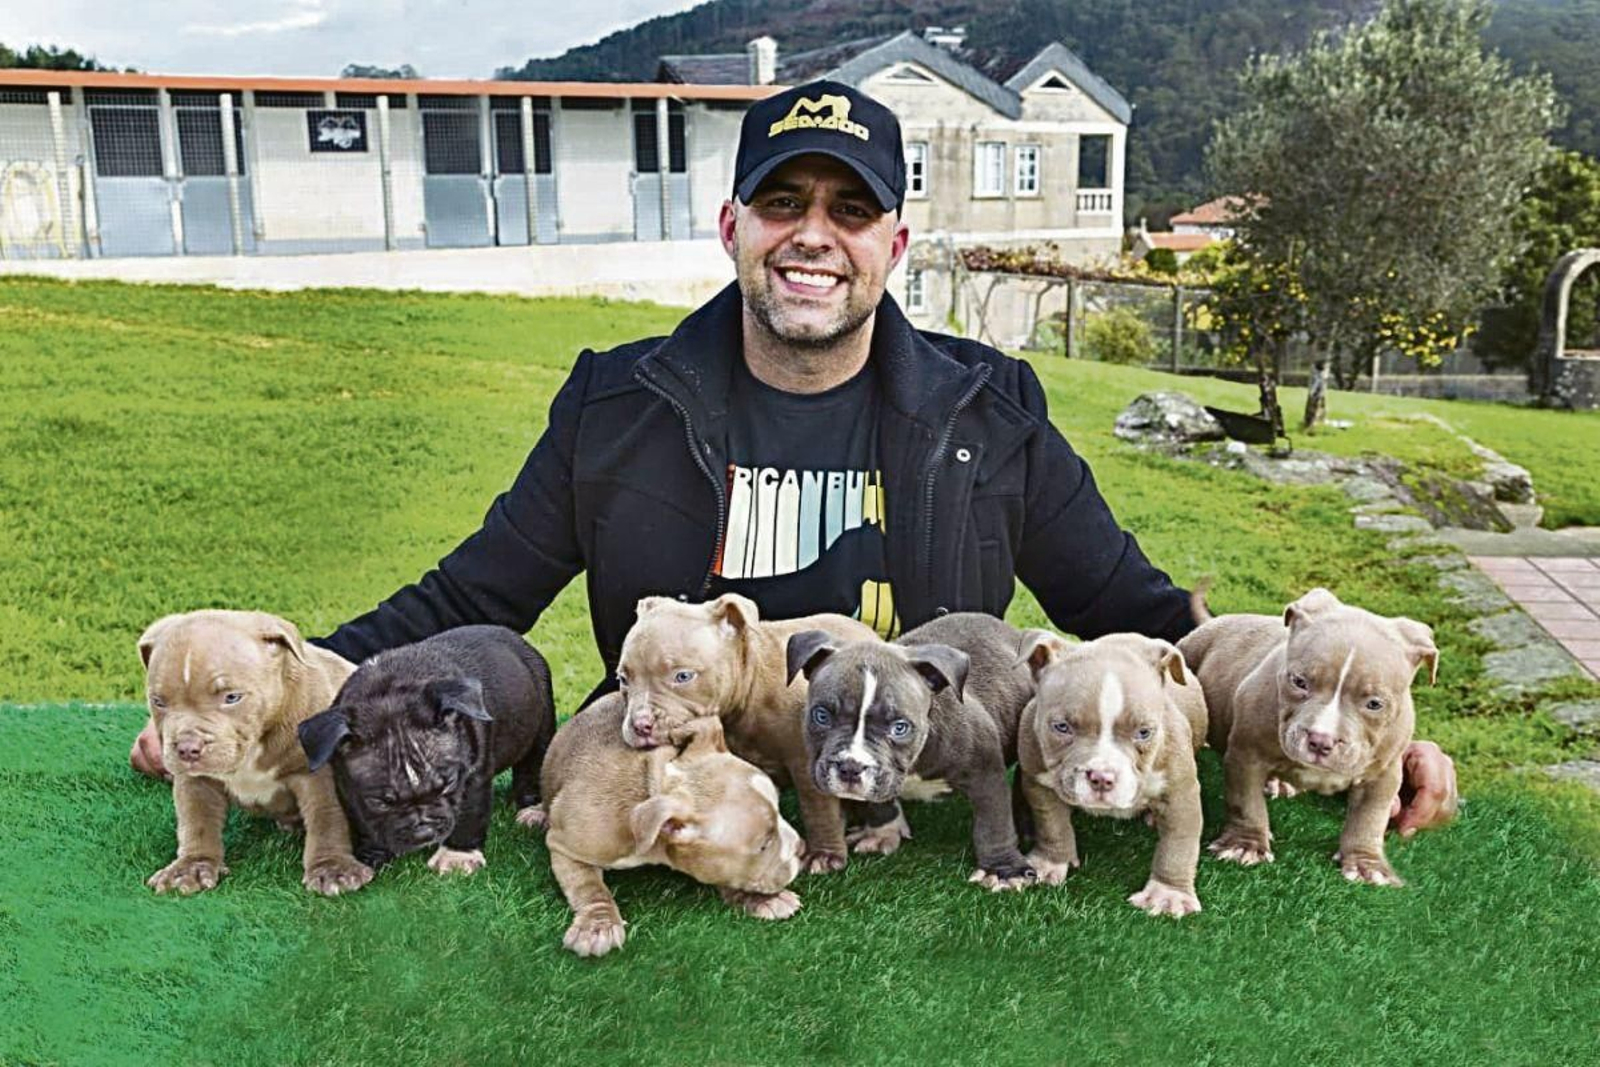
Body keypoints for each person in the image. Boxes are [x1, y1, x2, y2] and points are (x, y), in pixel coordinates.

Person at [129, 80, 1456, 836]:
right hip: (666, 809)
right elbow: (468, 600)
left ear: (895, 244)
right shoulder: (619, 405)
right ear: (733, 228)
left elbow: (1138, 614)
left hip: (901, 830)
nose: (811, 235)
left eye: (849, 210)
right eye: (783, 203)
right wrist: (278, 708)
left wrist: (1351, 729)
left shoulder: (987, 411)